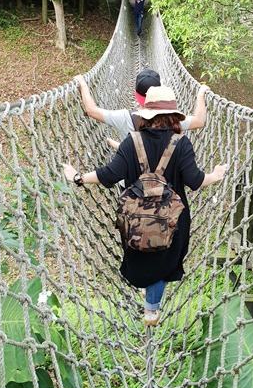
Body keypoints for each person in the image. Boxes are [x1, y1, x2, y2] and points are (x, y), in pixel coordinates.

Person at [63, 86, 227, 326]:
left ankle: (149, 300)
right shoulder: (181, 144)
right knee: (163, 260)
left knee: (144, 252)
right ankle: (152, 310)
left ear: (145, 114)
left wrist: (77, 177)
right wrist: (216, 174)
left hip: (136, 219)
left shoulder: (131, 142)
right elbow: (196, 181)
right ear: (174, 115)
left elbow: (109, 175)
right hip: (173, 221)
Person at [77, 68, 208, 143]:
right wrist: (200, 94)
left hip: (132, 184)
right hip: (164, 184)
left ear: (136, 95)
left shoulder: (124, 117)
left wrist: (83, 85)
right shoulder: (171, 119)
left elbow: (91, 111)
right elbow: (199, 121)